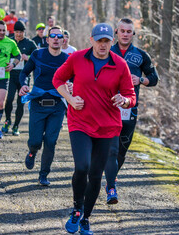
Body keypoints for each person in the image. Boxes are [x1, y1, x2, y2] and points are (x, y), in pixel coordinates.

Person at [52, 23, 136, 235]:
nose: (102, 45)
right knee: (82, 167)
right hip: (80, 122)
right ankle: (76, 209)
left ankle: (86, 218)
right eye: (99, 41)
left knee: (96, 176)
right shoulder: (77, 58)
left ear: (111, 42)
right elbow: (58, 79)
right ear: (91, 40)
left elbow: (131, 96)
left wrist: (124, 100)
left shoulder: (120, 64)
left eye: (106, 41)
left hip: (108, 128)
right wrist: (70, 99)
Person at [104, 18, 159, 204]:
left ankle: (111, 177)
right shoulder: (106, 51)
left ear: (133, 34)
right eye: (122, 31)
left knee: (121, 149)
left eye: (129, 31)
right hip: (107, 107)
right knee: (109, 149)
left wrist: (141, 80)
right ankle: (110, 186)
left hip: (129, 109)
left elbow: (154, 77)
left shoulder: (141, 55)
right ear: (116, 32)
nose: (125, 34)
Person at [19, 26, 69, 185]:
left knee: (51, 141)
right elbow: (24, 73)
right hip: (38, 104)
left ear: (63, 40)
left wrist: (74, 85)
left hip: (57, 106)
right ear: (47, 39)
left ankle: (43, 175)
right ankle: (32, 152)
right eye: (52, 36)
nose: (55, 38)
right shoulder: (37, 54)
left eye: (59, 36)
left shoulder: (68, 59)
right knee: (35, 141)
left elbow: (76, 78)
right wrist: (24, 85)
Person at [1, 21, 37, 136]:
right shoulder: (9, 42)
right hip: (11, 76)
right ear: (14, 32)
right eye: (16, 32)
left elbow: (38, 57)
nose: (18, 34)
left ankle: (16, 125)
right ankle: (7, 120)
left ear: (24, 32)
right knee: (9, 99)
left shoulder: (30, 44)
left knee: (21, 102)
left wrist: (28, 57)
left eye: (21, 32)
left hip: (24, 77)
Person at [0, 20, 21, 139]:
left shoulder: (10, 42)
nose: (1, 33)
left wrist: (13, 65)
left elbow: (18, 56)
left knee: (1, 103)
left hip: (3, 77)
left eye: (3, 30)